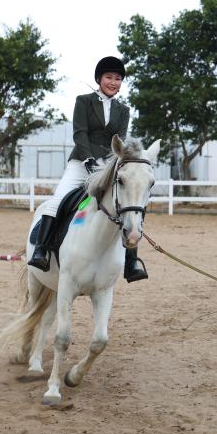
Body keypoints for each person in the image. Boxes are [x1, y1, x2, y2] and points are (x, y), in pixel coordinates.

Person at [28, 56, 148, 282]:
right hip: (81, 164)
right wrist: (88, 159)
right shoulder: (83, 101)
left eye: (118, 79)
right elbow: (79, 133)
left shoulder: (123, 109)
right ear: (99, 79)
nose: (113, 82)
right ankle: (41, 251)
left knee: (129, 203)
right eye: (109, 77)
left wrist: (112, 163)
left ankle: (131, 262)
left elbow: (119, 141)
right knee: (57, 201)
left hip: (108, 166)